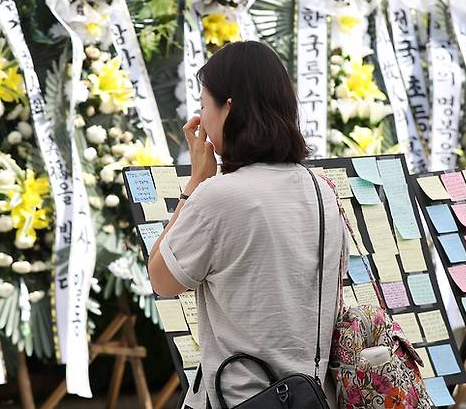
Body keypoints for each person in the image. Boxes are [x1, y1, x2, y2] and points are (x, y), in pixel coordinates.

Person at [147, 41, 346, 409]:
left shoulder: (219, 197)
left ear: (229, 108)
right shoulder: (322, 192)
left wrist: (194, 185)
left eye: (205, 105)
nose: (201, 120)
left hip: (238, 398)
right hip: (311, 398)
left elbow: (161, 278)